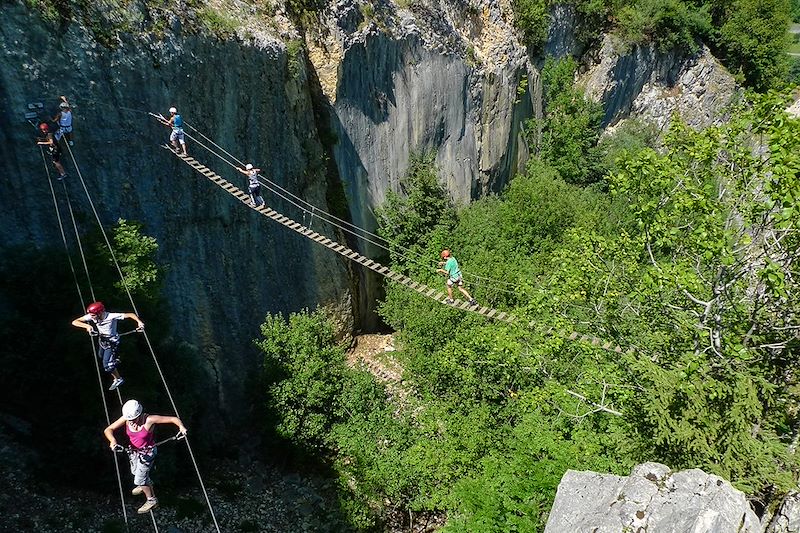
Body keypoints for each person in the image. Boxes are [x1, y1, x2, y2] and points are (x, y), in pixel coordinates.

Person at [104, 399, 188, 514]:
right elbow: (108, 429)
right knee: (135, 472)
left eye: (133, 419)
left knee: (139, 479)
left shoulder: (149, 420)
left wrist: (181, 427)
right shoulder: (126, 418)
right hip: (134, 452)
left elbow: (173, 419)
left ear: (138, 415)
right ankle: (144, 483)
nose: (131, 422)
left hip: (147, 453)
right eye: (129, 420)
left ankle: (151, 500)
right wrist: (112, 440)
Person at [71, 301, 145, 390]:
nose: (91, 317)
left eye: (93, 315)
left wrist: (139, 322)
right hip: (103, 341)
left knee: (108, 366)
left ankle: (118, 379)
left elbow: (130, 314)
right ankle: (115, 358)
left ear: (100, 313)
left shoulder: (111, 316)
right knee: (100, 355)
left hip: (111, 343)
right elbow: (75, 322)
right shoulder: (93, 316)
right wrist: (87, 326)